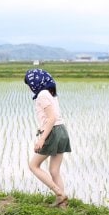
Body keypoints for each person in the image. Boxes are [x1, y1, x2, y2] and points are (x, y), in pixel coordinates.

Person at [24, 69, 72, 207]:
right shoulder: (50, 93)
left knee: (33, 165)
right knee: (54, 171)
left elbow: (51, 118)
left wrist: (42, 139)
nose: (29, 87)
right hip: (61, 130)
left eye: (29, 84)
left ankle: (59, 193)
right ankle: (63, 205)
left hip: (53, 132)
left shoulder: (42, 95)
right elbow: (52, 117)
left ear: (36, 83)